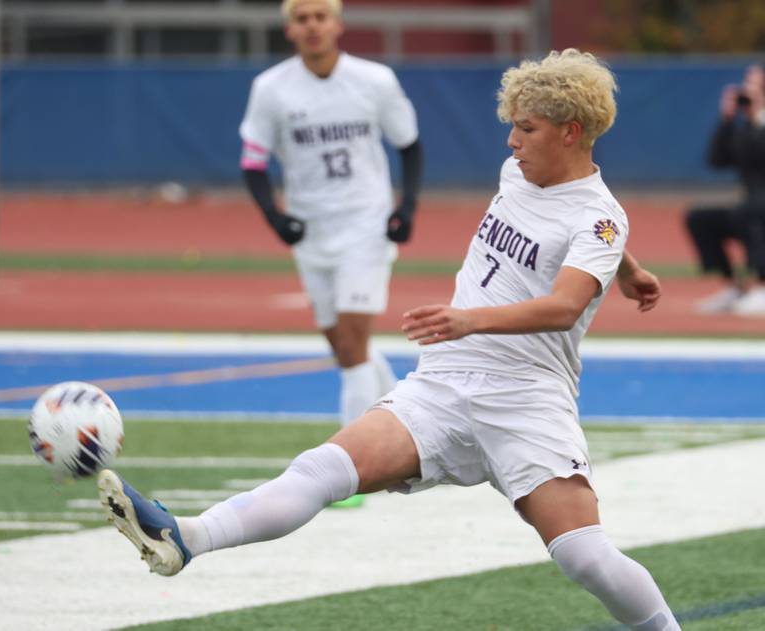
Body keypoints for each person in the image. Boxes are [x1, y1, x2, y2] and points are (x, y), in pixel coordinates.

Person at [98, 49, 679, 630]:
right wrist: (628, 271)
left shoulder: (600, 217)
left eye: (527, 128)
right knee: (321, 469)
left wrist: (471, 319)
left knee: (584, 555)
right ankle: (187, 538)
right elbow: (579, 230)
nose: (511, 142)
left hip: (525, 399)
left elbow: (566, 303)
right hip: (444, 384)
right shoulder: (523, 175)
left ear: (571, 132)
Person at [239, 0, 423, 445]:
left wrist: (407, 207)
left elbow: (409, 144)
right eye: (302, 19)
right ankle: (410, 416)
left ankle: (353, 460)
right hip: (311, 230)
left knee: (355, 343)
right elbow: (253, 161)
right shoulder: (270, 88)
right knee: (344, 349)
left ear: (338, 25)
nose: (312, 26)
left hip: (365, 223)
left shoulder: (374, 80)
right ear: (290, 30)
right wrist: (275, 218)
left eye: (320, 17)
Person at [685, 64, 765, 316]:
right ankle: (734, 288)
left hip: (758, 210)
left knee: (752, 210)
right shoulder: (746, 127)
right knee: (700, 218)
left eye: (755, 86)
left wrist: (759, 116)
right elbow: (717, 160)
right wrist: (727, 120)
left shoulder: (758, 125)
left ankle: (763, 288)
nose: (747, 90)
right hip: (752, 208)